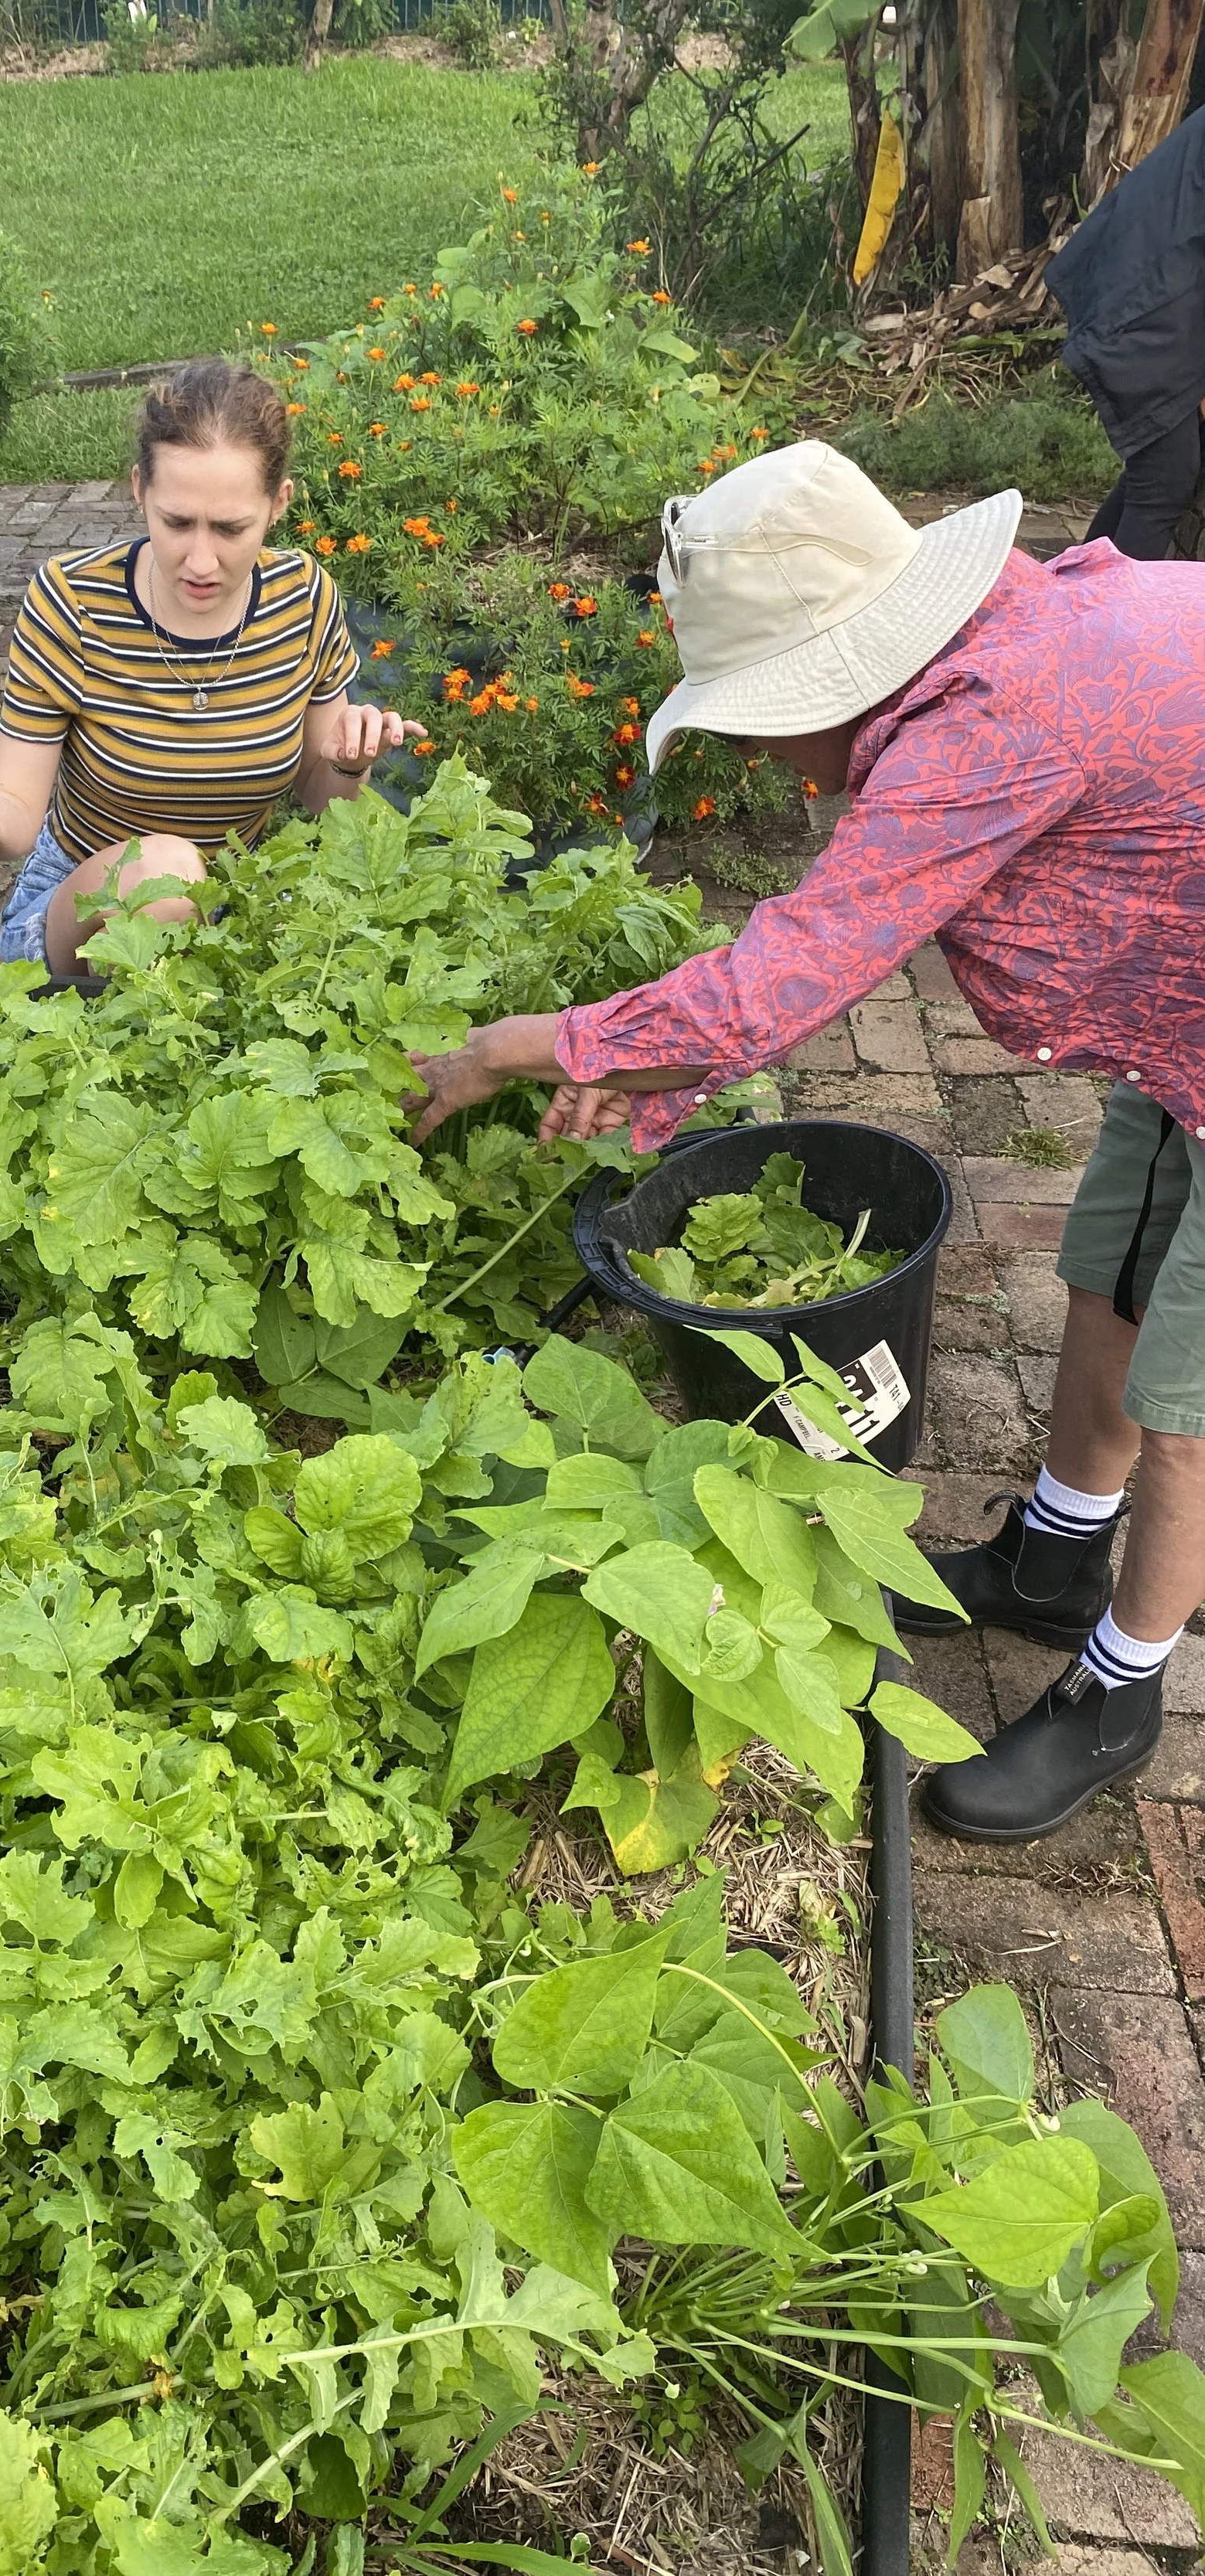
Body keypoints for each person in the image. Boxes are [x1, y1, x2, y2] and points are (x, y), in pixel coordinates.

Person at [407, 437, 1205, 1844]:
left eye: (758, 714)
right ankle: (1055, 1553)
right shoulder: (994, 639)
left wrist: (503, 1050)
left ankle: (1120, 1692)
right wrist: (647, 1078)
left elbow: (780, 977)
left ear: (835, 671)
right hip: (1185, 1003)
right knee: (1117, 1265)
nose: (761, 751)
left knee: (1195, 1396)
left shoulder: (996, 720)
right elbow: (826, 937)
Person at [0, 360, 422, 969]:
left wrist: (348, 765)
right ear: (139, 490)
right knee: (168, 877)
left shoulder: (303, 598)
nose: (201, 560)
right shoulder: (72, 602)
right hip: (81, 906)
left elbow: (319, 795)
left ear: (279, 503)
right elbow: (17, 798)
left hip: (238, 908)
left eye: (230, 529)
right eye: (177, 523)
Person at [1048, 105, 1205, 561]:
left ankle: (1069, 603)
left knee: (1155, 471)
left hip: (1145, 288)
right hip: (1142, 302)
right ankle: (1109, 625)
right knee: (1165, 478)